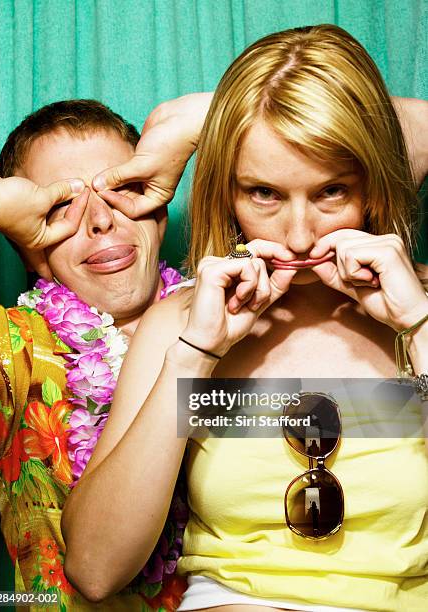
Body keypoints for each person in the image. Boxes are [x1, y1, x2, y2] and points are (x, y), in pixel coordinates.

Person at [62, 25, 428, 612]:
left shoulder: (422, 310)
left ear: (375, 183)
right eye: (263, 192)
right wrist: (194, 357)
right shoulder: (181, 325)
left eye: (332, 190)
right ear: (225, 192)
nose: (300, 232)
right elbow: (95, 569)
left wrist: (419, 327)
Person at [0, 98, 192, 611]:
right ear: (25, 239)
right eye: (61, 205)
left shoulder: (239, 319)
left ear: (158, 208)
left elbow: (390, 414)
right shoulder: (5, 354)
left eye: (123, 189)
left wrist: (212, 118)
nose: (100, 221)